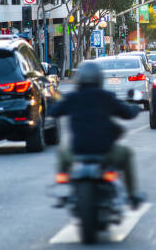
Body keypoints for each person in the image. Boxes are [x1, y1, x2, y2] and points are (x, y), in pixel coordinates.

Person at [49, 61, 145, 209]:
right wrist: (135, 108)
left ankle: (63, 185)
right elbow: (127, 113)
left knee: (61, 153)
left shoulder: (72, 98)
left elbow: (54, 111)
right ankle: (132, 195)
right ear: (99, 78)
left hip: (77, 151)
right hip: (105, 151)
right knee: (126, 154)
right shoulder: (106, 97)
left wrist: (54, 100)